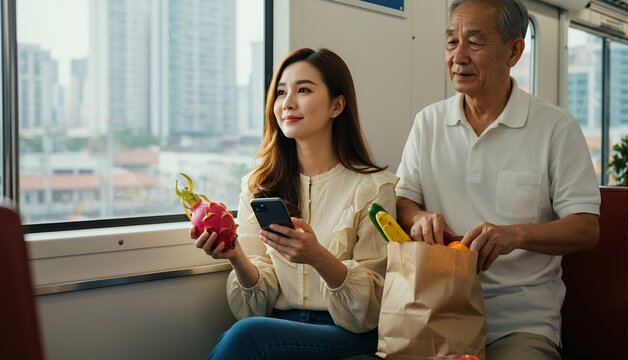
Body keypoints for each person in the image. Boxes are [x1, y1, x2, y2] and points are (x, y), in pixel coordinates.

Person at [395, 1, 600, 359]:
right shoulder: (427, 123)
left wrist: (514, 234)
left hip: (519, 323)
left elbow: (586, 229)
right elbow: (402, 202)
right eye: (450, 42)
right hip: (436, 310)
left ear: (514, 50)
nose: (458, 57)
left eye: (474, 42)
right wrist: (419, 219)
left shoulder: (556, 128)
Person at [192, 47, 398, 360]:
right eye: (280, 92)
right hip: (278, 325)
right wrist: (236, 256)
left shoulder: (373, 187)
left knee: (247, 337)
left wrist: (317, 257)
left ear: (337, 105)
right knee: (245, 333)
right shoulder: (258, 186)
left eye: (303, 90)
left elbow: (369, 310)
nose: (287, 103)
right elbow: (253, 308)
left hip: (346, 333)